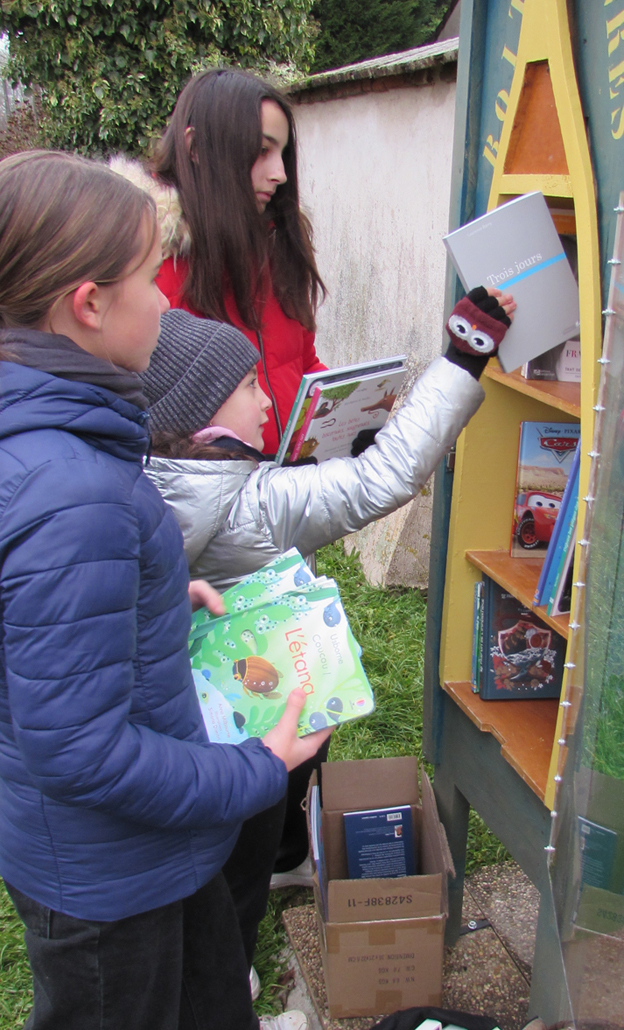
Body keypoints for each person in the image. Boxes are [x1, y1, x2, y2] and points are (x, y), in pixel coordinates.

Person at [0, 150, 329, 1030]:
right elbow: (82, 752)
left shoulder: (41, 436)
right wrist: (255, 772)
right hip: (112, 885)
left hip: (138, 862)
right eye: (153, 280)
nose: (167, 304)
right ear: (90, 302)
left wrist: (144, 596)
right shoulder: (72, 487)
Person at [139, 287, 515, 975]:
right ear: (199, 416)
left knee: (205, 853)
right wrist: (465, 356)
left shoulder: (143, 481)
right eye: (249, 386)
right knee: (244, 847)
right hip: (261, 707)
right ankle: (232, 974)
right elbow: (386, 476)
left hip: (182, 717)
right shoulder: (258, 501)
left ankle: (238, 922)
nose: (264, 400)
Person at [110, 67, 326, 456]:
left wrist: (344, 414)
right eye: (261, 151)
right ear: (196, 147)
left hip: (295, 493)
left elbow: (302, 364)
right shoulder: (149, 275)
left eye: (283, 153)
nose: (279, 174)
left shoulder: (279, 247)